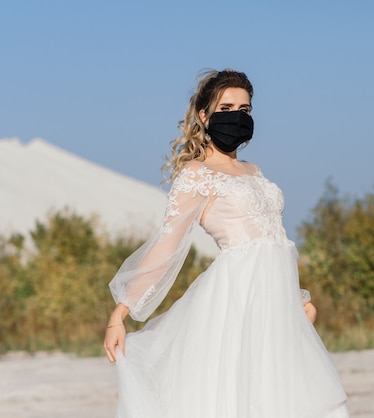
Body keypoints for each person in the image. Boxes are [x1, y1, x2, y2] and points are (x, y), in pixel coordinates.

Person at [104, 69, 349, 417]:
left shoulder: (254, 171)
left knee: (286, 397)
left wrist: (296, 298)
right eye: (227, 107)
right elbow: (166, 246)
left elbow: (271, 240)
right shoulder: (196, 175)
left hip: (274, 302)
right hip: (235, 299)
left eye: (245, 110)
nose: (238, 116)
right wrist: (121, 313)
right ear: (204, 115)